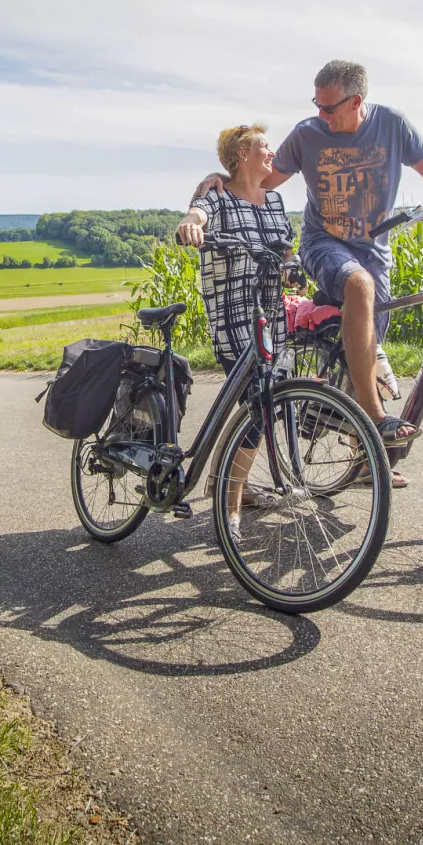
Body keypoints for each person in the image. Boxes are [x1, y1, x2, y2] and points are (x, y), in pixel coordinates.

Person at [195, 60, 423, 487]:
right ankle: (375, 419)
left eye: (329, 109)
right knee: (359, 285)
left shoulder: (393, 126)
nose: (321, 116)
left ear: (356, 100)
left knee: (368, 349)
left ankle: (363, 463)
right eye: (317, 106)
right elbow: (261, 182)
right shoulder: (307, 135)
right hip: (324, 244)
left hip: (375, 252)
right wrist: (221, 180)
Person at [175, 123, 293, 539]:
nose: (271, 152)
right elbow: (199, 212)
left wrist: (293, 268)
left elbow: (286, 249)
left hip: (272, 316)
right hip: (234, 316)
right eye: (264, 147)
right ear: (242, 154)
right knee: (258, 407)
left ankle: (227, 480)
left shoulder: (275, 200)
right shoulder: (218, 196)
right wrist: (192, 221)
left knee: (271, 402)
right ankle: (230, 506)